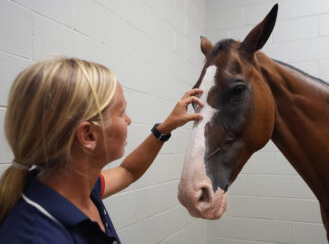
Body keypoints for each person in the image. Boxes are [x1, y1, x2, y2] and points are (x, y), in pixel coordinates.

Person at [0, 57, 204, 244]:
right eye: (121, 112)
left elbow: (128, 171)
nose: (128, 120)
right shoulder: (37, 236)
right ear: (88, 135)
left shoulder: (78, 188)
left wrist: (165, 128)